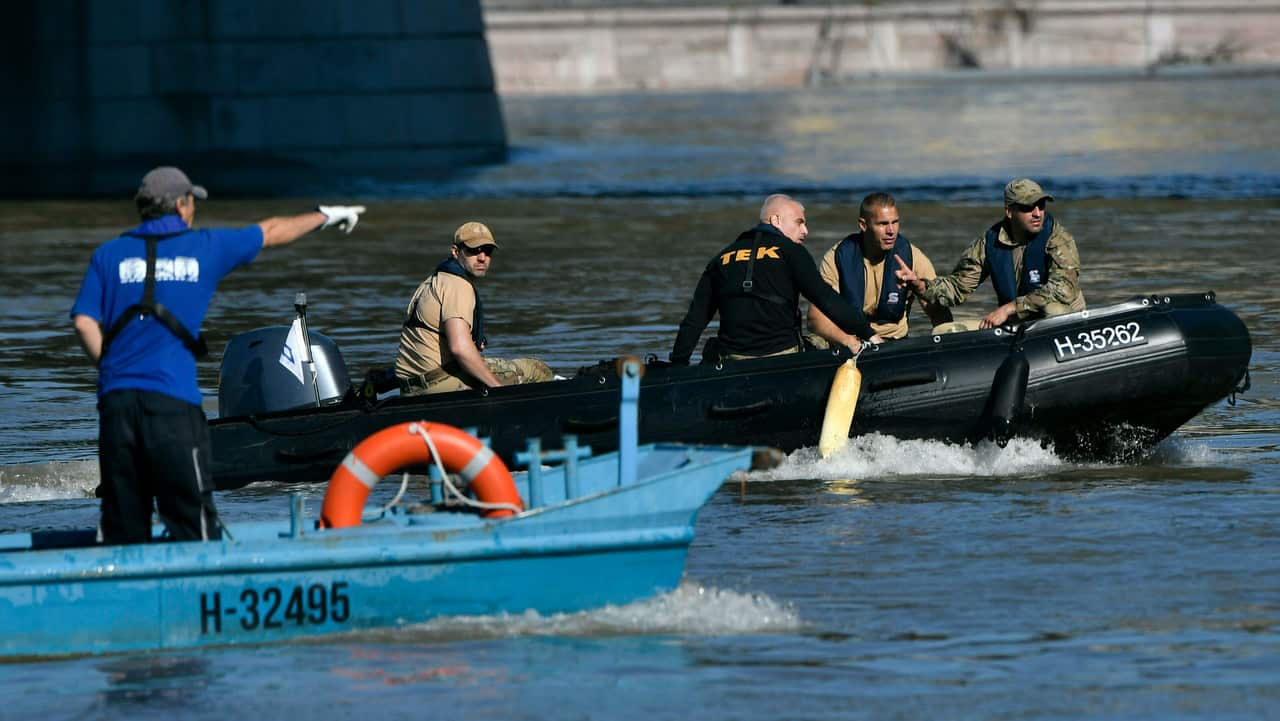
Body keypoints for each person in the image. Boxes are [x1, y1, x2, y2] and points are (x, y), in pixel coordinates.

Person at [70, 166, 366, 545]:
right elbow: (272, 231)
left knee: (123, 524)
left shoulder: (108, 255)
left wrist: (110, 371)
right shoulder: (203, 247)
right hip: (172, 406)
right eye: (192, 200)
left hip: (117, 406)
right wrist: (325, 215)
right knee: (192, 521)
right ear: (181, 205)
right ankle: (200, 594)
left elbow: (83, 322)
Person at [670, 194, 880, 365]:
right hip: (783, 357)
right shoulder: (791, 252)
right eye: (799, 222)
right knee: (826, 341)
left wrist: (678, 365)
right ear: (776, 220)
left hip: (732, 360)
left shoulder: (720, 258)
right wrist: (868, 334)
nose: (805, 230)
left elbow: (695, 320)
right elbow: (826, 299)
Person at [896, 178, 1085, 329]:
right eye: (1028, 207)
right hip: (1018, 323)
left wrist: (1009, 309)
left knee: (1054, 310)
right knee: (948, 330)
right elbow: (956, 288)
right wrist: (919, 285)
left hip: (1062, 318)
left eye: (1041, 206)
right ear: (1009, 212)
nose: (1037, 213)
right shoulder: (989, 244)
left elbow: (1063, 289)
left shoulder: (1058, 237)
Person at [395, 221, 553, 395]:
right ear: (456, 252)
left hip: (410, 386)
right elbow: (460, 348)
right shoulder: (458, 285)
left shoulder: (433, 281)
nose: (482, 257)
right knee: (536, 369)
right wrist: (499, 390)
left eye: (488, 251)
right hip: (438, 385)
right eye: (473, 250)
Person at [808, 192, 952, 348]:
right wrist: (850, 342)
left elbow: (938, 312)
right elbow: (815, 318)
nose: (891, 231)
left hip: (894, 343)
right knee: (814, 342)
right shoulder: (836, 258)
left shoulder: (913, 257)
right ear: (863, 225)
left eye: (895, 222)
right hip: (851, 342)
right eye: (882, 224)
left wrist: (948, 347)